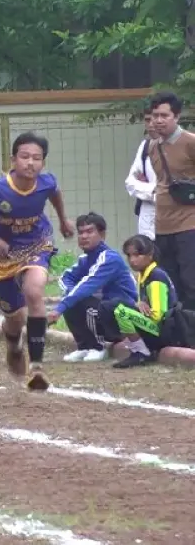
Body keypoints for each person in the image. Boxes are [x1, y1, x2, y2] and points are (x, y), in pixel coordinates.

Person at [0, 132, 74, 392]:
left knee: (34, 291)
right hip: (2, 256)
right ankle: (13, 343)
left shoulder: (46, 182)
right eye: (24, 157)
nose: (30, 163)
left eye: (37, 158)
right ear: (13, 160)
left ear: (43, 163)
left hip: (36, 243)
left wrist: (63, 219)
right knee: (15, 317)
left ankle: (37, 367)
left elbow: (55, 193)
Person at [51, 212, 137, 363]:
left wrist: (58, 310)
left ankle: (99, 346)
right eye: (81, 232)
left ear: (102, 235)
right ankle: (84, 346)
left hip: (123, 316)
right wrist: (70, 295)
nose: (84, 236)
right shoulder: (85, 259)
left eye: (90, 231)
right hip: (106, 311)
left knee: (83, 300)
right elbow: (66, 278)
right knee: (73, 298)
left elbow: (87, 285)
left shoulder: (109, 258)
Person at [146, 91, 195, 303]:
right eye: (155, 115)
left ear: (176, 116)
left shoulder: (190, 142)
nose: (158, 120)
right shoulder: (152, 146)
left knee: (190, 282)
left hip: (189, 224)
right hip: (163, 225)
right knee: (170, 283)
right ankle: (180, 332)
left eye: (164, 115)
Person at [104, 235, 180, 368]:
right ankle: (138, 349)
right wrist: (138, 305)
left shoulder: (156, 276)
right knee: (112, 306)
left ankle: (141, 352)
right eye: (129, 256)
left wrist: (137, 310)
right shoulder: (143, 274)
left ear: (150, 255)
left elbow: (157, 315)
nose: (132, 260)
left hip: (166, 329)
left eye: (137, 255)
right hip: (155, 327)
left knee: (122, 312)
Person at [124, 104, 158, 239]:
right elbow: (130, 183)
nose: (150, 125)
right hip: (148, 219)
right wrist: (154, 192)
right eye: (147, 120)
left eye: (153, 119)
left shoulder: (183, 144)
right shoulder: (145, 146)